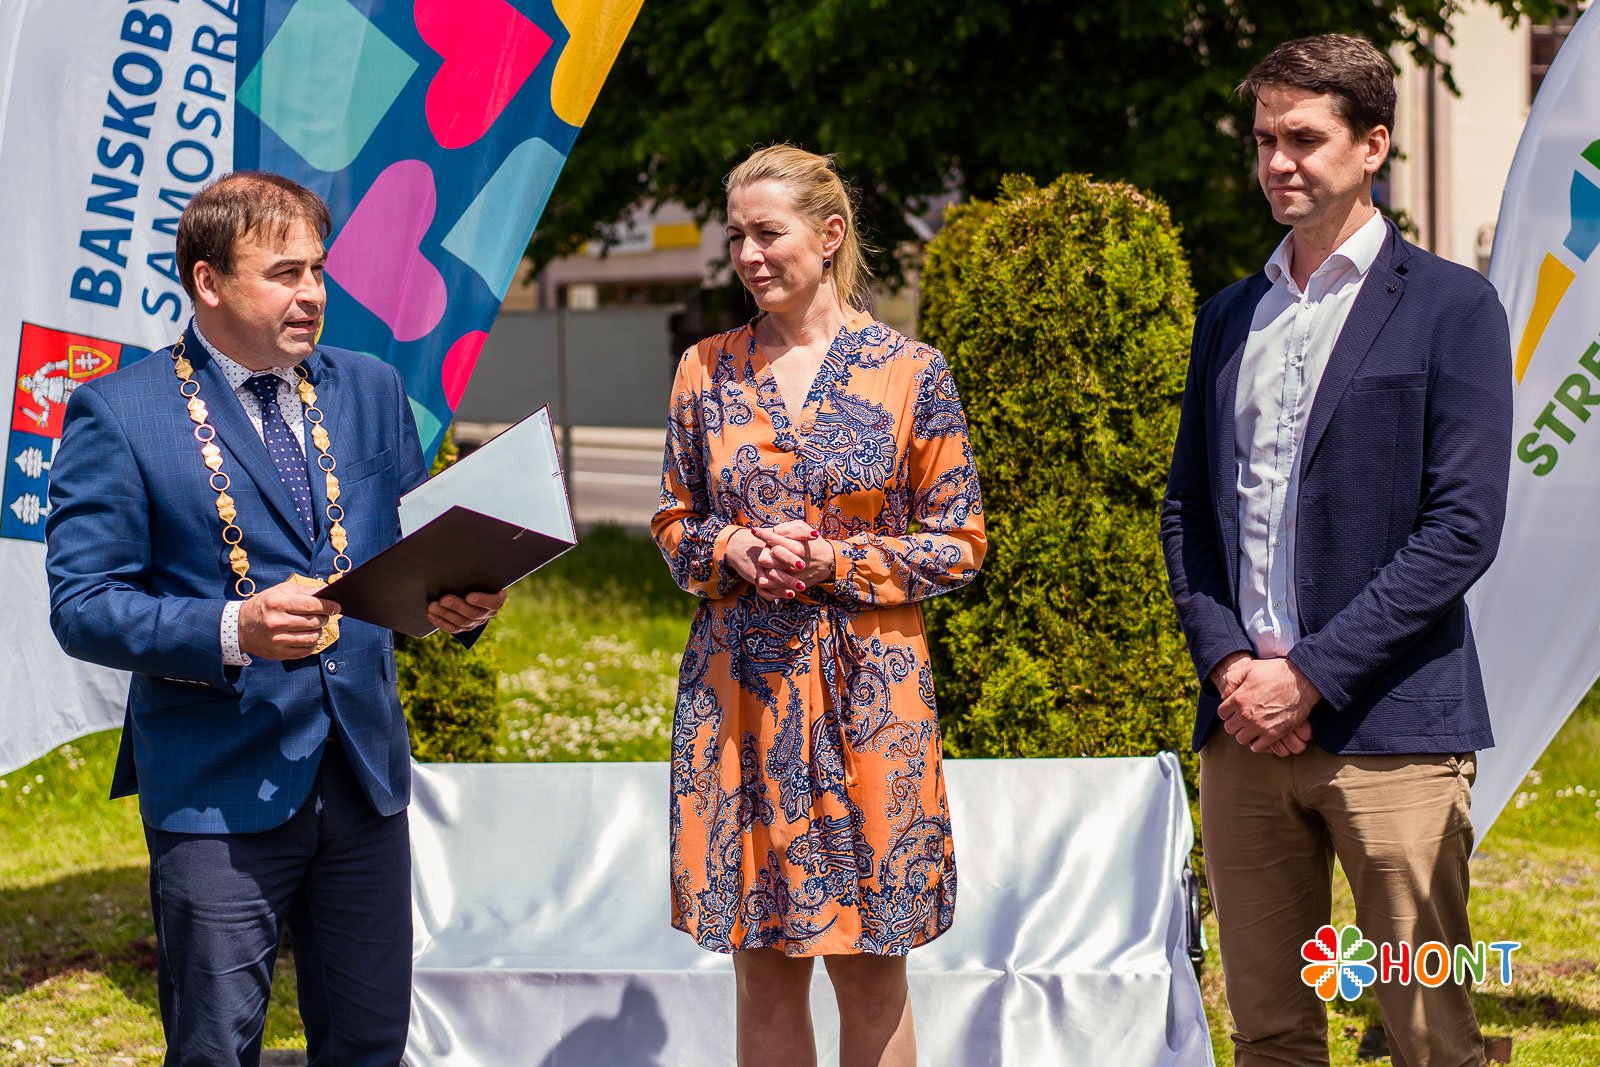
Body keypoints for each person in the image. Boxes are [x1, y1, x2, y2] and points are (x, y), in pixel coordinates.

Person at [45, 171, 506, 1066]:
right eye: (285, 273)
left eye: (318, 270)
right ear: (209, 281)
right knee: (216, 1046)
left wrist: (460, 600)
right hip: (216, 784)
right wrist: (232, 629)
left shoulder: (371, 388)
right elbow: (84, 604)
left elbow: (411, 550)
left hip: (363, 777)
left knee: (369, 1042)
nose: (312, 294)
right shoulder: (121, 412)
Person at [1160, 34, 1512, 1067]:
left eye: (1303, 138)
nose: (1277, 161)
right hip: (1243, 737)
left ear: (1372, 145)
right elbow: (1187, 513)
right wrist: (1231, 666)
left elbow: (1461, 528)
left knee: (1426, 1032)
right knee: (1270, 1033)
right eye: (1263, 138)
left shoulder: (1453, 307)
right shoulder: (1231, 315)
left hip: (1392, 731)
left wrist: (1307, 675)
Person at [652, 144, 986, 1067]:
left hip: (870, 701)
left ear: (830, 234)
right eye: (736, 237)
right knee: (761, 968)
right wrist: (732, 546)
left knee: (871, 968)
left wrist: (837, 559)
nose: (748, 255)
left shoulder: (910, 371)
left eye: (768, 232)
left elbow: (960, 542)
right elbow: (674, 522)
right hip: (741, 702)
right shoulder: (705, 370)